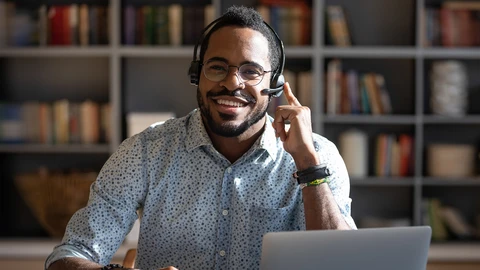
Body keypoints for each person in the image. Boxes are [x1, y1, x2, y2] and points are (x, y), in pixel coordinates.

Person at [45, 6, 356, 270]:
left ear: (274, 84)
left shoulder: (317, 155)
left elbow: (345, 262)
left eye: (251, 71)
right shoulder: (145, 151)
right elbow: (68, 256)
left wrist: (307, 165)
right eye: (218, 67)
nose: (232, 83)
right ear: (198, 74)